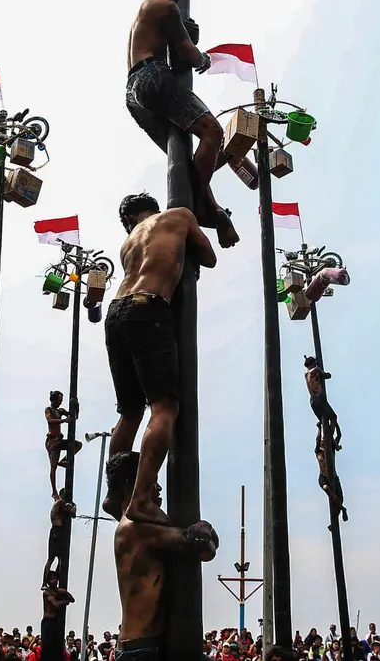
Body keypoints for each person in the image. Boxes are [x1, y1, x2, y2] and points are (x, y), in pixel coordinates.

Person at [125, 0, 257, 250]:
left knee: (182, 162)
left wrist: (184, 33)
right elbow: (187, 52)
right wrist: (204, 59)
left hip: (135, 92)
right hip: (153, 77)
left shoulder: (150, 8)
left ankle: (216, 214)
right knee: (212, 132)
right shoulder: (166, 5)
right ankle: (201, 204)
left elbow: (175, 38)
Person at [103, 193, 216, 525]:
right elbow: (208, 256)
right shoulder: (178, 215)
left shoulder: (127, 245)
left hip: (116, 311)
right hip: (149, 307)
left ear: (129, 221)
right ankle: (141, 498)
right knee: (164, 408)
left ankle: (115, 491)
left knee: (129, 412)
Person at [110, 451, 218, 660]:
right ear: (130, 486)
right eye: (152, 482)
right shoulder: (135, 529)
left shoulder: (133, 525)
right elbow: (204, 548)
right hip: (143, 651)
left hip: (143, 647)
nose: (158, 488)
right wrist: (204, 526)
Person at [45, 391, 82, 498]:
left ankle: (62, 461)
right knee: (53, 466)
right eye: (59, 400)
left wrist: (77, 407)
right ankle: (54, 491)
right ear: (53, 400)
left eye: (61, 401)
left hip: (59, 440)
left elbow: (73, 417)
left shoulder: (60, 411)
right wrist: (64, 420)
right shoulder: (49, 410)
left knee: (77, 444)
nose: (60, 403)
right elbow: (50, 421)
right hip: (52, 441)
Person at [44, 489, 78, 585]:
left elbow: (72, 515)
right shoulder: (60, 502)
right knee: (51, 559)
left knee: (61, 559)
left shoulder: (61, 505)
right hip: (56, 531)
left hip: (59, 532)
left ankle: (56, 580)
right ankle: (44, 582)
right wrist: (74, 505)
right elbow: (73, 512)